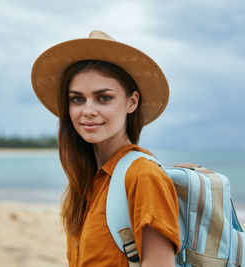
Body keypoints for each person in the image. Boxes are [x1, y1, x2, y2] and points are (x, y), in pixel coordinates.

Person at [31, 30, 181, 266]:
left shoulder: (143, 177)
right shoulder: (86, 181)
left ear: (131, 102)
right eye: (77, 99)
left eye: (103, 98)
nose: (88, 110)